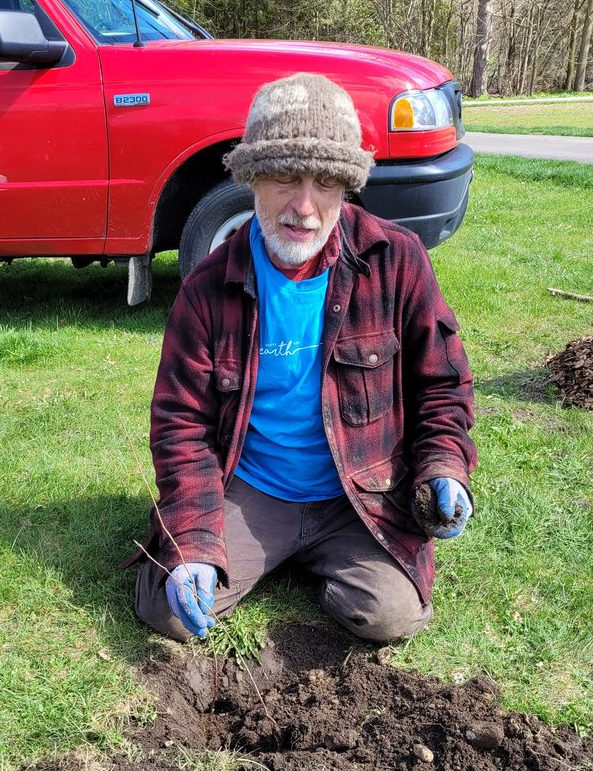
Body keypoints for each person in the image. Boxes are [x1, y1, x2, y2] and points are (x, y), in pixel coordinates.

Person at [132, 73, 476, 644]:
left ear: (348, 187)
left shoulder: (397, 260)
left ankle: (313, 554)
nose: (304, 207)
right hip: (251, 488)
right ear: (252, 179)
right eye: (284, 178)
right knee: (168, 612)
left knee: (391, 617)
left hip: (359, 490)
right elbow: (181, 424)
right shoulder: (207, 287)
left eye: (326, 183)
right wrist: (192, 542)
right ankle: (251, 549)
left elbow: (441, 384)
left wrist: (445, 468)